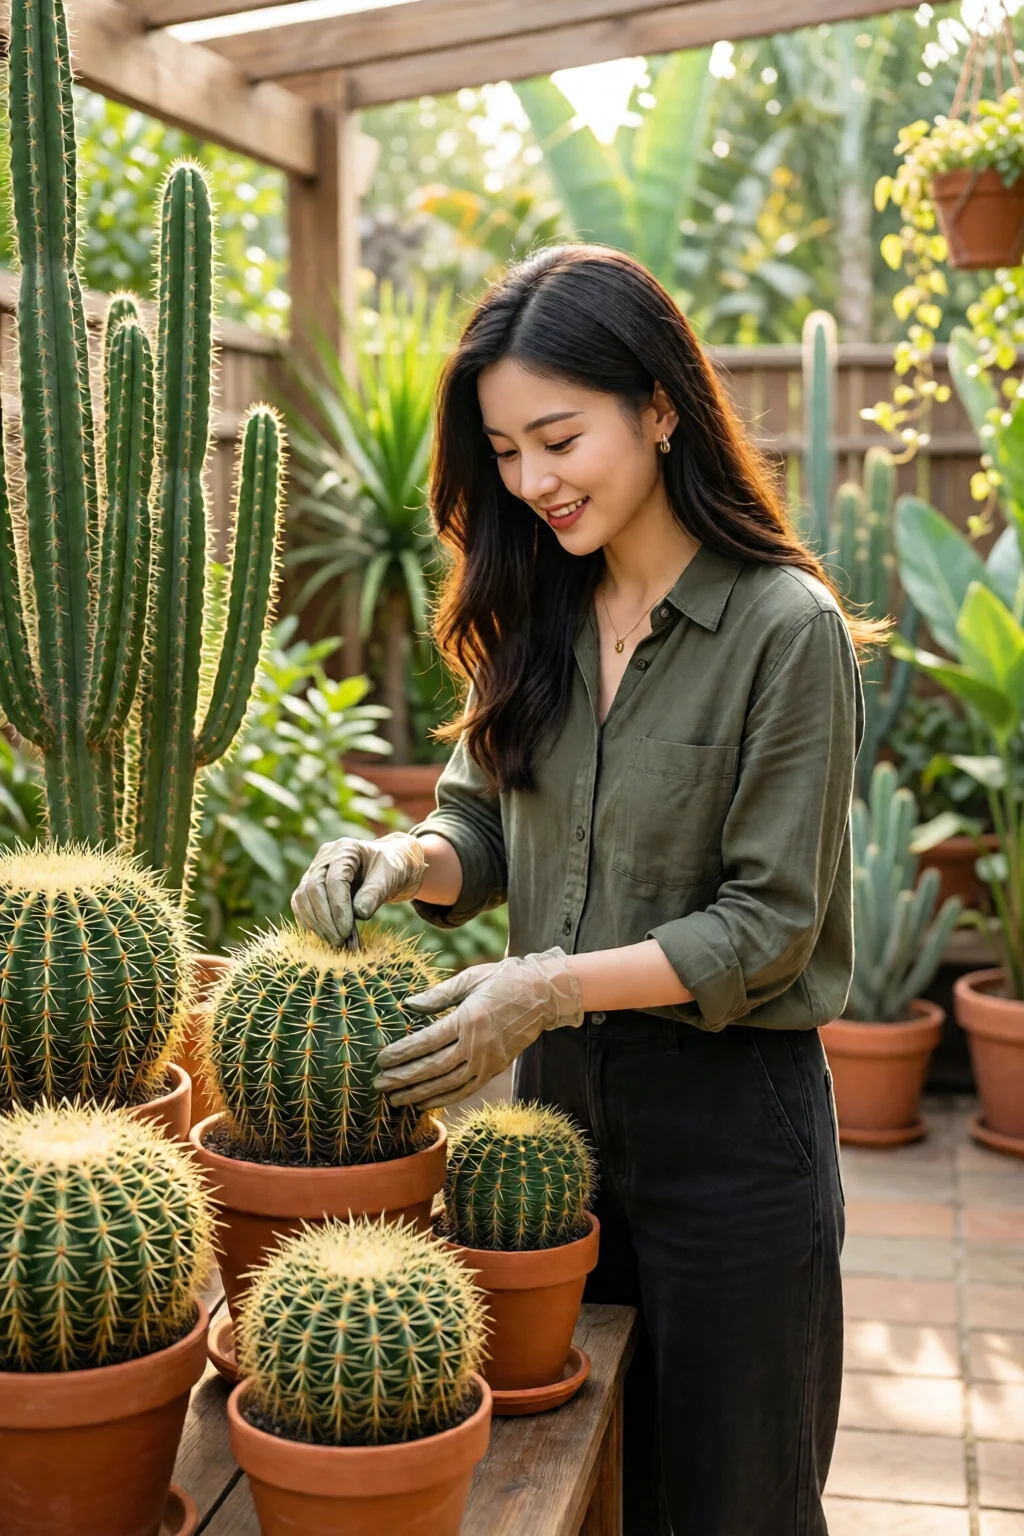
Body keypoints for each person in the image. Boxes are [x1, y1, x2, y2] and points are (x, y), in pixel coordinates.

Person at [291, 244, 873, 1536]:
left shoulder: (787, 631)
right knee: (571, 1492)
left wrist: (544, 986)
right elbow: (478, 824)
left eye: (558, 437)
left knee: (735, 1504)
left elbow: (769, 928)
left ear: (660, 408)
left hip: (735, 1137)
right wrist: (403, 862)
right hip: (551, 1131)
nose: (533, 482)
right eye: (504, 452)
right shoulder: (536, 613)